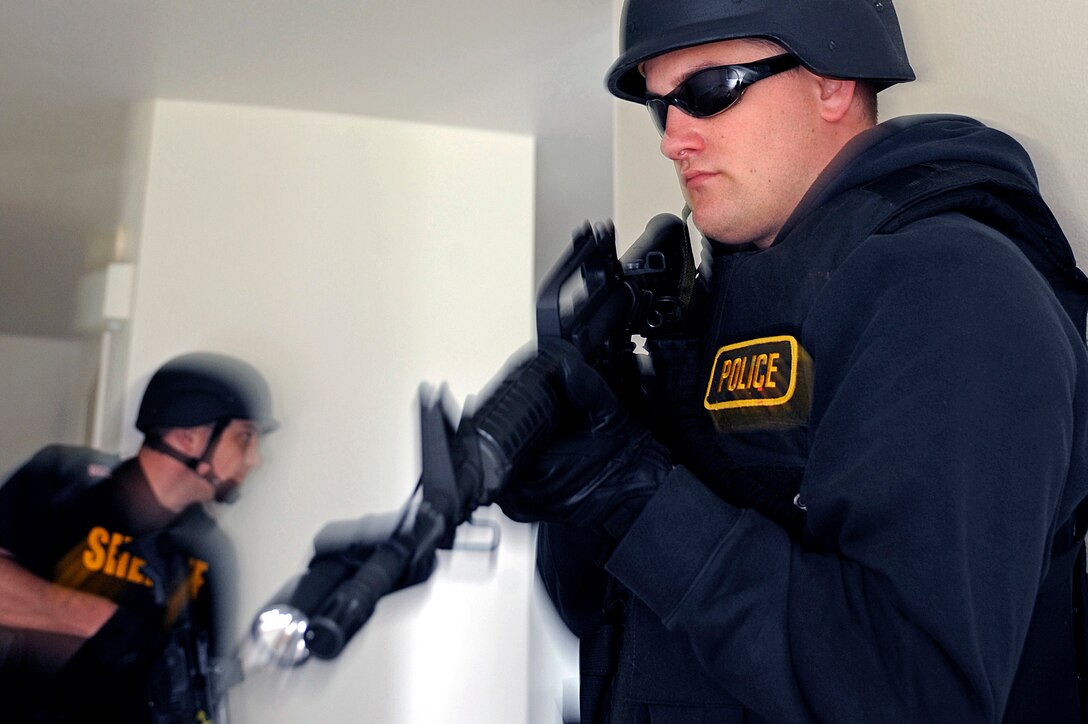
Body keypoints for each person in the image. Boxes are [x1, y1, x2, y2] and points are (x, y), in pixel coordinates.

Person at [494, 1, 1088, 722]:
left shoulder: (952, 290)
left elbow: (917, 696)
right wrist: (586, 492)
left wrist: (640, 500)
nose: (674, 140)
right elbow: (609, 621)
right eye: (660, 109)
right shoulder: (725, 310)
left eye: (708, 91)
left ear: (832, 80)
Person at [0, 351, 277, 722]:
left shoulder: (210, 550)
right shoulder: (65, 482)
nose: (255, 459)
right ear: (189, 437)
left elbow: (206, 682)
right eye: (244, 438)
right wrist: (99, 619)